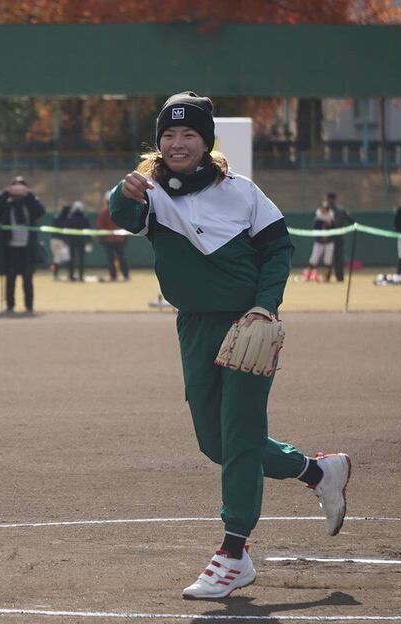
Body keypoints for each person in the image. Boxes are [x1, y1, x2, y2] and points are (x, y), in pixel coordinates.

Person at [109, 91, 351, 600]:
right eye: (169, 135)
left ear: (206, 141)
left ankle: (234, 552)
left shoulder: (242, 192)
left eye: (189, 134)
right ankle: (317, 471)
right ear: (159, 143)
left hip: (249, 324)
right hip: (195, 326)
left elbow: (280, 249)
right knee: (215, 442)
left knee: (239, 434)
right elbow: (123, 216)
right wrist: (124, 191)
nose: (178, 143)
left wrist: (266, 305)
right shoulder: (151, 193)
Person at [0, 176, 46, 315]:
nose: (18, 189)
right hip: (9, 247)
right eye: (16, 186)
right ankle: (10, 306)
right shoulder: (6, 203)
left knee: (28, 279)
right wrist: (6, 193)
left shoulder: (29, 203)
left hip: (27, 247)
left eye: (21, 186)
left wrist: (29, 195)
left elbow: (40, 211)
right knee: (10, 278)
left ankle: (29, 307)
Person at [97, 191, 130, 281]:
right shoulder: (119, 210)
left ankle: (114, 276)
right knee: (121, 257)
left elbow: (100, 226)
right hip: (119, 239)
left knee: (112, 259)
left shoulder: (105, 212)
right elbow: (126, 224)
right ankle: (125, 275)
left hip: (109, 240)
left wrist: (102, 238)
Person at [304, 199, 335, 282]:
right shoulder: (318, 218)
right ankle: (308, 277)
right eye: (322, 208)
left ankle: (326, 278)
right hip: (319, 242)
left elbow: (334, 229)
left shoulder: (331, 217)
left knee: (328, 260)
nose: (323, 210)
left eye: (325, 208)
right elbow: (315, 229)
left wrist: (329, 225)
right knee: (313, 259)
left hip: (329, 242)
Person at [326, 192, 354, 282]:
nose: (330, 201)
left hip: (337, 238)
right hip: (328, 239)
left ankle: (339, 277)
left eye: (331, 199)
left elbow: (351, 221)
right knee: (328, 258)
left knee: (338, 258)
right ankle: (328, 277)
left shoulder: (341, 211)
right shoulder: (325, 210)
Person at [65, 200, 91, 282]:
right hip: (81, 241)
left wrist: (67, 240)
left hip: (72, 241)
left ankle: (71, 276)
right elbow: (88, 230)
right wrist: (89, 241)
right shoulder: (84, 218)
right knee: (81, 259)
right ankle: (81, 276)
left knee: (72, 259)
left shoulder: (70, 217)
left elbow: (67, 230)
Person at [49, 204, 72, 281]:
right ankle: (69, 275)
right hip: (61, 241)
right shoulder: (67, 219)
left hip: (53, 240)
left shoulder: (56, 218)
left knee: (56, 258)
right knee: (66, 258)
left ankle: (56, 275)